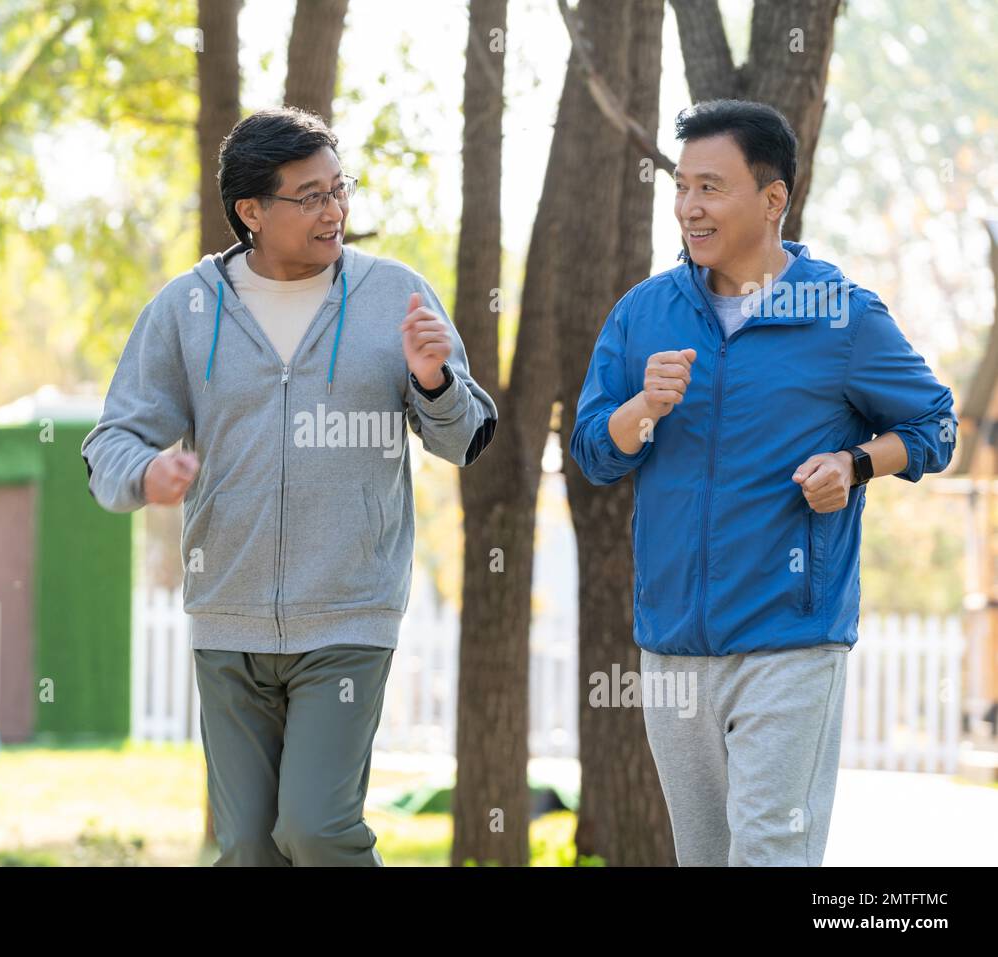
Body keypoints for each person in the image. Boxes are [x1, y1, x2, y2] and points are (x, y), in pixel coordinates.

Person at [81, 107, 497, 865]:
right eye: (310, 195)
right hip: (227, 617)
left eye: (340, 189)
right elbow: (111, 441)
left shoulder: (394, 295)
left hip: (347, 616)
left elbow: (464, 437)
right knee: (245, 846)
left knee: (314, 827)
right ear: (251, 210)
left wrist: (434, 381)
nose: (335, 210)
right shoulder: (187, 308)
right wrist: (146, 471)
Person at [569, 98, 956, 866]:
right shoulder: (645, 314)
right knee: (707, 856)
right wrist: (642, 408)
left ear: (773, 199)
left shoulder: (840, 315)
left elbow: (936, 425)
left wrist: (855, 464)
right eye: (682, 186)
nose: (689, 206)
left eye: (710, 187)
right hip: (674, 643)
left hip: (791, 638)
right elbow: (593, 451)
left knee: (771, 851)